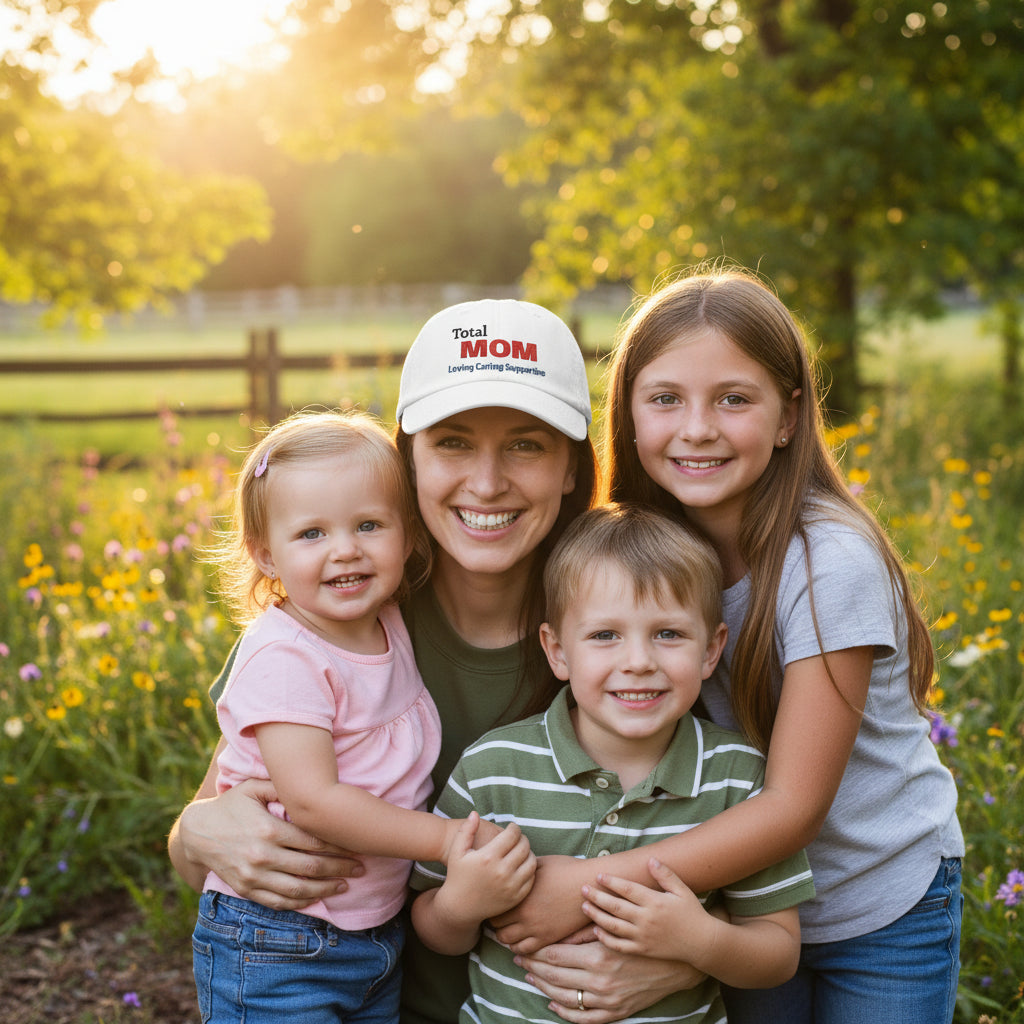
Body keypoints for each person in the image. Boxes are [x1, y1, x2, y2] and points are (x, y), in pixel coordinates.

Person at [170, 299, 711, 1024]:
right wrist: (195, 831)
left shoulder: (632, 630)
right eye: (453, 443)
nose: (486, 484)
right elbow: (201, 843)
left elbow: (730, 821)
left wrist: (687, 960)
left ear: (571, 469)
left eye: (526, 445)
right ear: (408, 463)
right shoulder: (337, 624)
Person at [493, 267, 964, 1024]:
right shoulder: (640, 557)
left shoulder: (829, 562)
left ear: (788, 416)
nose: (697, 428)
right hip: (733, 903)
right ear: (629, 413)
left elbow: (794, 809)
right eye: (665, 399)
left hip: (876, 903)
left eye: (734, 399)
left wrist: (587, 886)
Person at [410, 503, 816, 1024]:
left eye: (668, 634)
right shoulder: (494, 768)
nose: (639, 661)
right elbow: (432, 924)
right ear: (558, 651)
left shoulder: (735, 778)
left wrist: (697, 940)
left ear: (711, 650)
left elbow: (778, 954)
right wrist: (458, 907)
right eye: (605, 635)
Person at [191, 408, 534, 1024]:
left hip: (371, 937)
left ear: (407, 534)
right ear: (265, 554)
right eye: (311, 534)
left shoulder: (389, 622)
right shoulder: (285, 655)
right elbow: (314, 801)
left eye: (369, 525)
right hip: (277, 937)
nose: (345, 550)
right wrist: (446, 839)